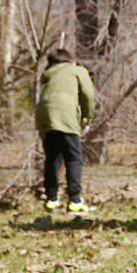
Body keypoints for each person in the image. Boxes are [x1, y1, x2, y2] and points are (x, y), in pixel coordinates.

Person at [36, 48, 95, 213]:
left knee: (52, 158)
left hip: (45, 116)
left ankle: (51, 199)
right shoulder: (77, 71)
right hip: (66, 116)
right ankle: (75, 200)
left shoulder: (48, 75)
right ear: (70, 60)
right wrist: (86, 119)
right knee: (74, 158)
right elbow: (88, 96)